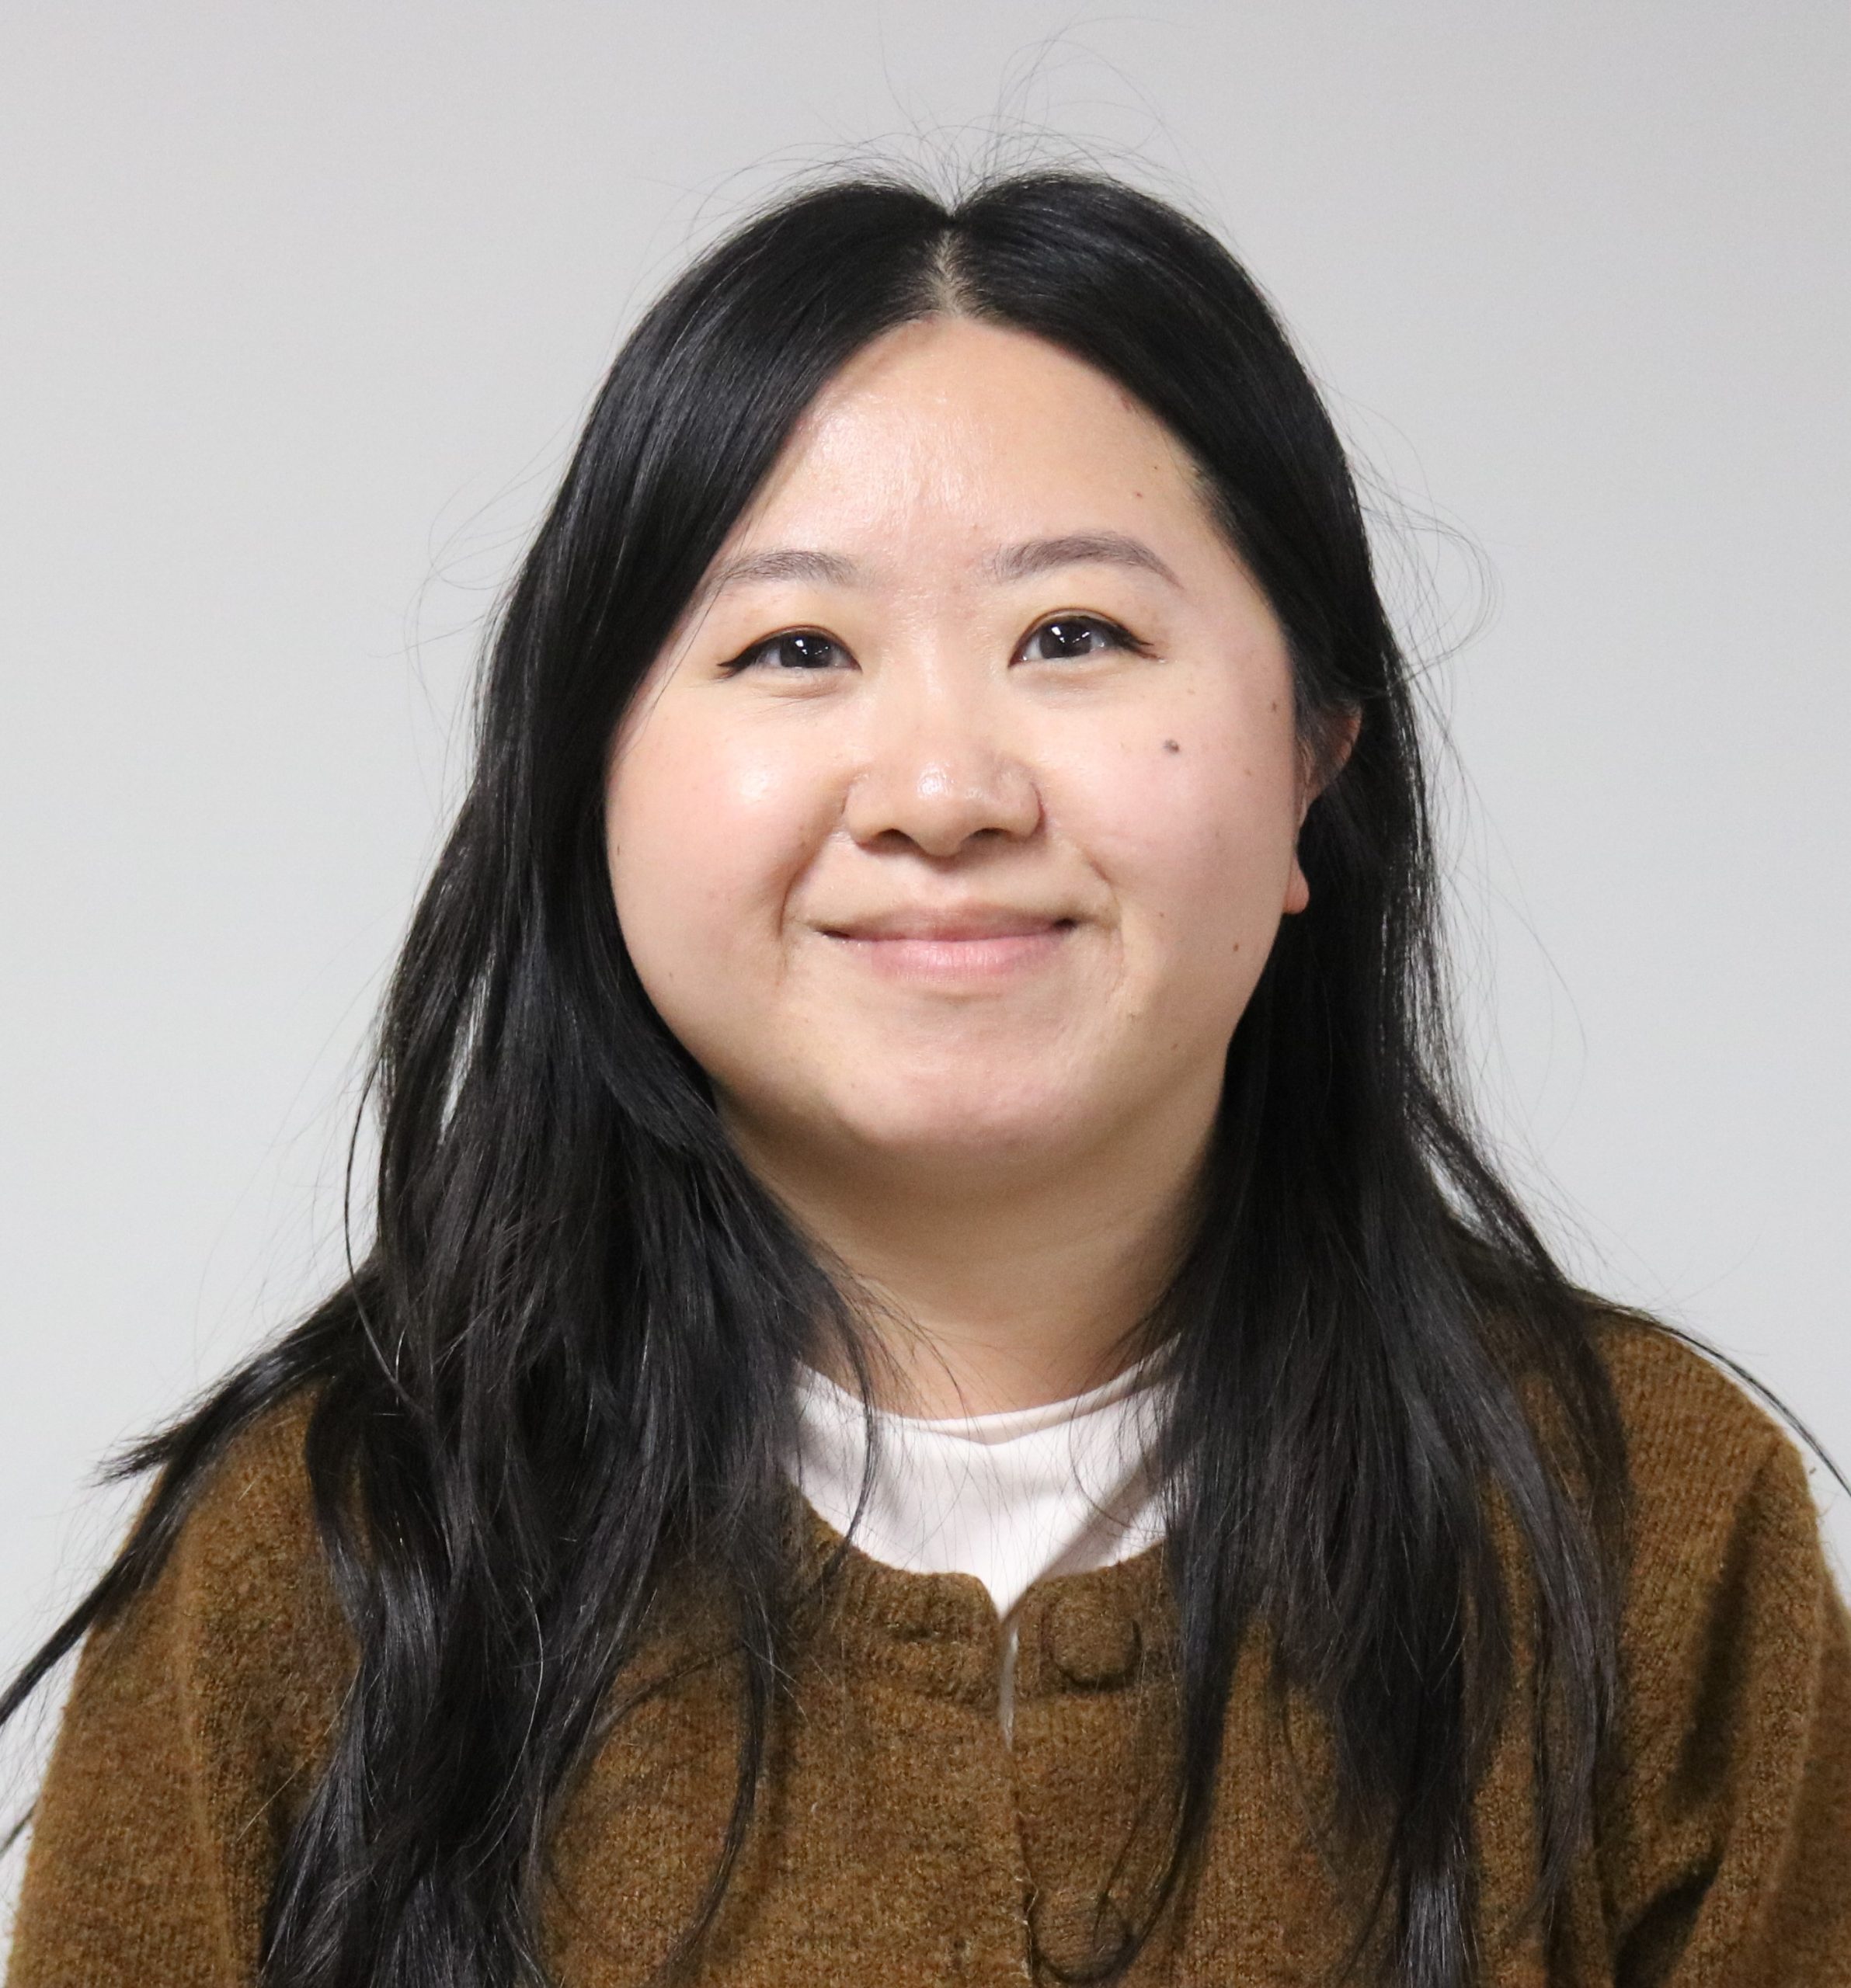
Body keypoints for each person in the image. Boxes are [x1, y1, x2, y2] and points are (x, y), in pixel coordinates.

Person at [3, 169, 1846, 1988]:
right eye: (794, 647)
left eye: (1076, 636)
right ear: (590, 780)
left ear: (1314, 763)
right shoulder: (320, 1556)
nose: (944, 793)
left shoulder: (1652, 1533)